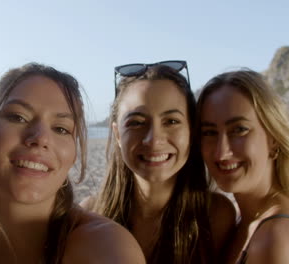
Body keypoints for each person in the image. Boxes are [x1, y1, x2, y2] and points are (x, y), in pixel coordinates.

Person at [0, 63, 145, 264]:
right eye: (18, 117)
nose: (40, 138)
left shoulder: (105, 249)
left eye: (61, 129)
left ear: (72, 156)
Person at [81, 62, 235, 263]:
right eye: (136, 122)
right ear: (118, 134)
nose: (153, 140)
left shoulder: (216, 216)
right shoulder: (91, 213)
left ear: (191, 130)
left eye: (171, 121)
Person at [197, 69, 289, 263]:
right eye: (209, 132)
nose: (221, 152)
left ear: (274, 139)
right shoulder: (244, 224)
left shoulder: (278, 237)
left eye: (239, 130)